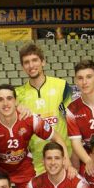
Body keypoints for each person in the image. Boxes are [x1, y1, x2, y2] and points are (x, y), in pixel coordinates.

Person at [0, 84, 72, 188]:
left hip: (23, 168)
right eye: (1, 99)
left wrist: (67, 161)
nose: (5, 103)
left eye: (9, 98)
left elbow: (57, 138)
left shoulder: (30, 119)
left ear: (16, 101)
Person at [16, 43, 73, 176]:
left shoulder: (62, 86)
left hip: (64, 158)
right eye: (26, 62)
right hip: (37, 163)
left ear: (43, 62)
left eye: (35, 60)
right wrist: (16, 106)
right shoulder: (17, 94)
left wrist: (72, 158)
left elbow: (73, 122)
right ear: (23, 67)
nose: (31, 65)